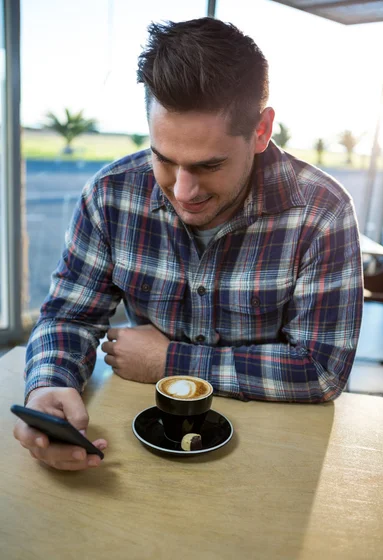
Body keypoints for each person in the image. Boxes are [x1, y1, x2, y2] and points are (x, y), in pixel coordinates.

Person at [14, 17, 363, 470]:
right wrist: (48, 383)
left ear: (260, 131)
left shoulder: (322, 213)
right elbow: (68, 317)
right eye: (164, 158)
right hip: (139, 445)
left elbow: (321, 371)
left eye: (208, 165)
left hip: (273, 453)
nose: (181, 191)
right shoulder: (110, 194)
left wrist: (171, 361)